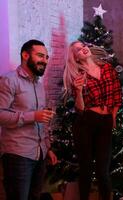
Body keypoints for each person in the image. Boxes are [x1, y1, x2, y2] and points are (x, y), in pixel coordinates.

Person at [63, 41, 122, 200]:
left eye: (83, 46)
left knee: (103, 171)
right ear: (75, 57)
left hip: (106, 121)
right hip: (86, 123)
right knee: (86, 170)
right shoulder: (77, 75)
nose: (82, 49)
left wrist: (113, 117)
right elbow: (80, 109)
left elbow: (117, 96)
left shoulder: (107, 68)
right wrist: (79, 91)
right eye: (77, 50)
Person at [0, 39, 58, 200]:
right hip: (17, 154)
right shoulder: (9, 80)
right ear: (25, 55)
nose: (45, 61)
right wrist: (33, 116)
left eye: (46, 57)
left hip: (39, 154)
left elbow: (43, 119)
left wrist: (48, 147)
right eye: (40, 56)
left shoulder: (39, 85)